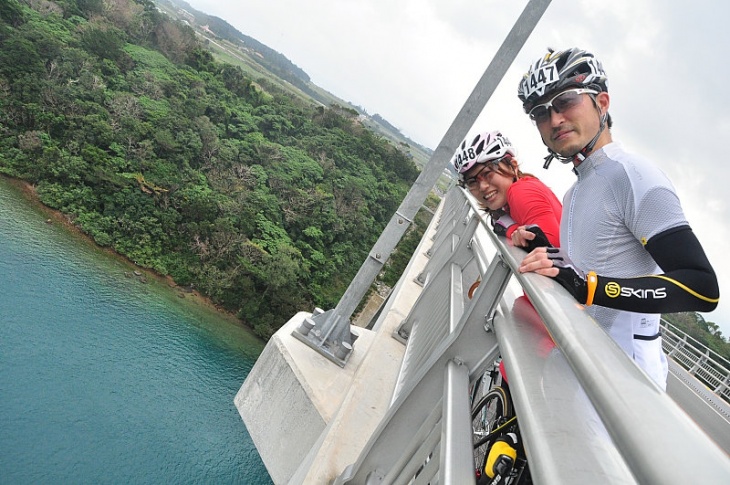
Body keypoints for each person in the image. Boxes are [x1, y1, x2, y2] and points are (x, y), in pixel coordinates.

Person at [514, 47, 720, 390]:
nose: (554, 120)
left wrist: (590, 287)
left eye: (566, 101)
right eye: (540, 112)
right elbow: (598, 263)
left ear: (602, 103)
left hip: (626, 375)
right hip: (582, 354)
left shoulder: (635, 177)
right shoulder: (578, 189)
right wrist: (550, 249)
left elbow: (702, 287)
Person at [453, 130, 562, 249]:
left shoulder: (520, 191)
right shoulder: (507, 204)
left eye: (487, 173)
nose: (482, 186)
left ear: (513, 167)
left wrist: (509, 228)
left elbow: (552, 253)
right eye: (472, 182)